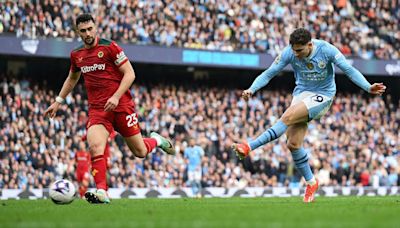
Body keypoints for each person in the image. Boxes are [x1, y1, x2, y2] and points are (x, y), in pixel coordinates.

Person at [232, 28, 386, 203]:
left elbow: (349, 70)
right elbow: (269, 73)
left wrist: (368, 87)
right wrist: (251, 89)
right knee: (293, 144)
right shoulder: (289, 53)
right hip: (302, 93)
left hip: (323, 95)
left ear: (310, 45)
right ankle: (311, 182)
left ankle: (249, 146)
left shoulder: (327, 50)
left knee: (287, 116)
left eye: (299, 50)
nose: (296, 54)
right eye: (293, 50)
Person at [44, 13, 175, 204]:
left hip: (121, 106)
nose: (87, 33)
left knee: (140, 152)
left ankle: (156, 140)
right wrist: (58, 101)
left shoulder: (109, 47)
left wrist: (115, 96)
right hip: (98, 110)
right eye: (83, 31)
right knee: (95, 146)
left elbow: (130, 74)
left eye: (90, 29)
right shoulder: (76, 55)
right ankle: (102, 192)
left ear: (95, 27)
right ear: (77, 32)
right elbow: (72, 78)